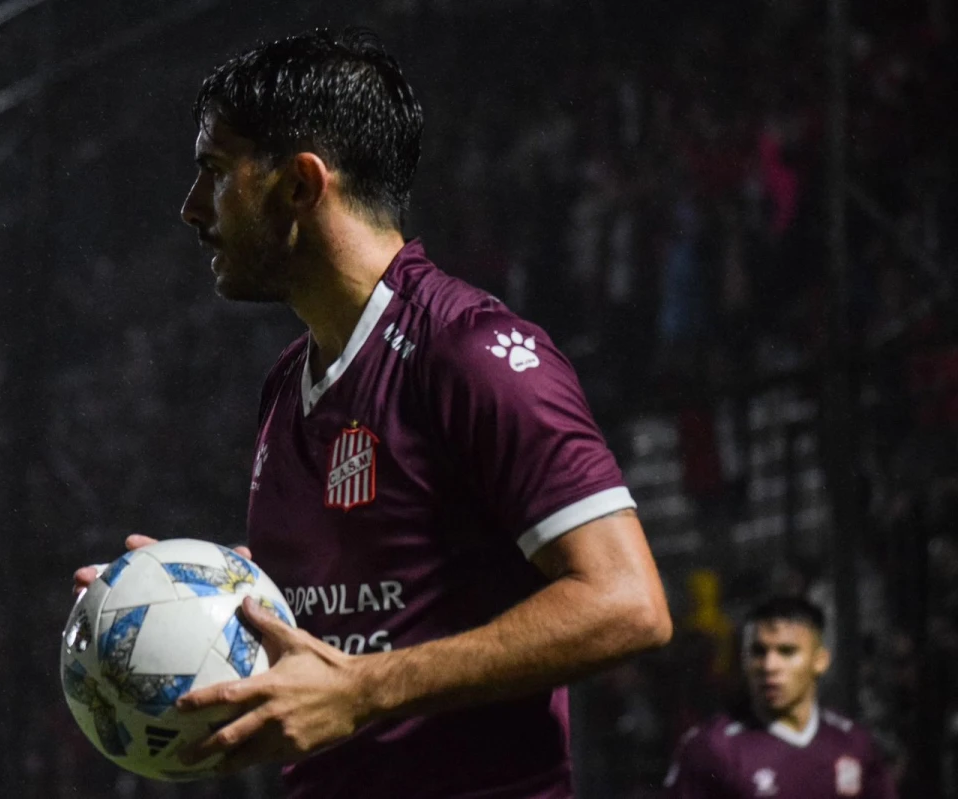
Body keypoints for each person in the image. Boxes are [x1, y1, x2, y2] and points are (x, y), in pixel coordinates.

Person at [74, 27, 671, 798]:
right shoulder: (289, 381)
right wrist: (183, 590)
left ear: (300, 185)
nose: (191, 209)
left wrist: (368, 688)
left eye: (215, 172)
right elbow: (350, 586)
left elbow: (628, 602)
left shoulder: (472, 352)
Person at [663, 596, 897, 798]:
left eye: (787, 651)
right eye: (758, 652)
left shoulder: (854, 743)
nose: (769, 665)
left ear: (820, 660)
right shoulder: (711, 748)